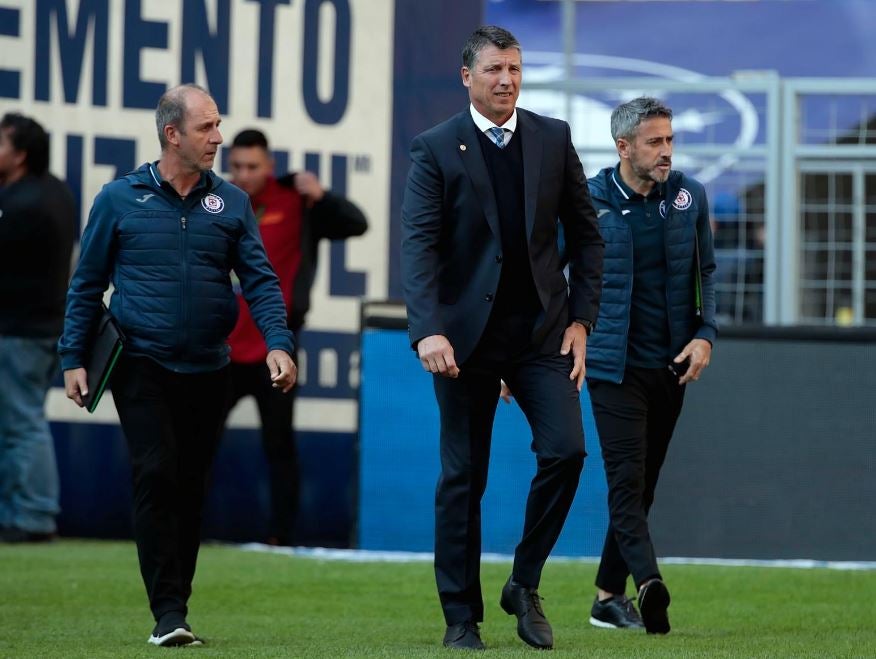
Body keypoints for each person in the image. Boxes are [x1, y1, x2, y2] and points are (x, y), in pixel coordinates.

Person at [58, 84, 297, 647]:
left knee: (189, 485)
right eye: (207, 128)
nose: (218, 138)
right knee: (157, 470)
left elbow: (261, 280)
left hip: (208, 367)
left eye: (218, 126)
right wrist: (72, 356)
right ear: (172, 134)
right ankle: (166, 611)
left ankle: (177, 609)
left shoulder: (232, 203)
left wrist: (278, 343)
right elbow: (87, 283)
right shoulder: (119, 199)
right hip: (140, 362)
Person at [400, 26, 604, 651]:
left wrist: (581, 321)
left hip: (542, 334)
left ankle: (524, 580)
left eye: (514, 68)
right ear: (468, 76)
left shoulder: (553, 136)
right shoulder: (435, 148)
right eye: (493, 69)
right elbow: (420, 247)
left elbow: (589, 237)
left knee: (567, 451)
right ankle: (461, 618)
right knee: (465, 477)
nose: (506, 80)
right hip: (464, 344)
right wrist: (428, 329)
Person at [584, 97, 717, 635]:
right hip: (611, 365)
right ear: (624, 147)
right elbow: (551, 274)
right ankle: (648, 583)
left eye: (669, 140)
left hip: (671, 365)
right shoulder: (588, 200)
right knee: (625, 481)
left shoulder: (688, 197)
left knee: (644, 486)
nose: (666, 152)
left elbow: (705, 271)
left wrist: (705, 336)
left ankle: (605, 598)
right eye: (654, 142)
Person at [225, 128, 367, 546]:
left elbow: (356, 223)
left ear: (269, 165)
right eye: (236, 166)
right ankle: (183, 534)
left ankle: (281, 538)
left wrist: (322, 195)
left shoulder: (296, 200)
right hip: (223, 349)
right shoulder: (218, 202)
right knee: (197, 445)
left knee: (279, 446)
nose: (244, 174)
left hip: (277, 349)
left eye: (252, 166)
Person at [0, 113, 75, 543]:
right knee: (19, 421)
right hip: (39, 327)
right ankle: (23, 511)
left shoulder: (23, 203)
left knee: (23, 423)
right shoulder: (54, 190)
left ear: (20, 155)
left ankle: (33, 515)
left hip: (22, 331)